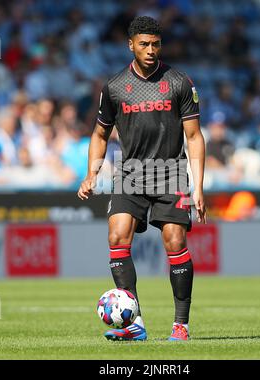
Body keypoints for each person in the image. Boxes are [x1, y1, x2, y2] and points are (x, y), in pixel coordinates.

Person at [78, 16, 206, 342]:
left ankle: (181, 326)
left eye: (156, 44)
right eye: (144, 44)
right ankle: (135, 324)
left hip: (171, 171)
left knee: (175, 241)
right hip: (131, 172)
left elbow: (194, 136)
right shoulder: (115, 87)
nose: (151, 50)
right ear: (131, 45)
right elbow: (99, 134)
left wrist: (199, 186)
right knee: (117, 237)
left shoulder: (178, 82)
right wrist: (91, 173)